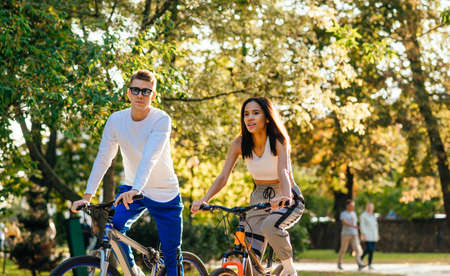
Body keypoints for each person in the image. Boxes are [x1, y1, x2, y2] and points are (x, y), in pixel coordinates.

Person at [71, 70, 183, 276]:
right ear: (128, 93)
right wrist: (87, 195)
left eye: (146, 91)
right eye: (136, 90)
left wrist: (136, 189)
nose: (140, 95)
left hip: (164, 192)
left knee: (171, 257)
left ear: (153, 95)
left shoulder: (161, 120)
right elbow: (104, 158)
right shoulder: (116, 120)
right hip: (132, 188)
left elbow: (150, 156)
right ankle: (134, 272)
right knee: (114, 230)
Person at [191, 97, 305, 276]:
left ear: (267, 117)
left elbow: (283, 171)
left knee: (270, 226)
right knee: (249, 258)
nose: (250, 118)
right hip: (258, 197)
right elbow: (223, 176)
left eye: (256, 113)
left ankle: (290, 271)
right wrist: (204, 200)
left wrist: (285, 196)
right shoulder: (239, 144)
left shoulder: (278, 140)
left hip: (286, 194)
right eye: (246, 114)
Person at [337, 199, 366, 271]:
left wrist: (357, 233)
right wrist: (353, 226)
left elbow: (355, 224)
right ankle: (339, 263)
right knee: (343, 249)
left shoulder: (354, 213)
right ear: (347, 206)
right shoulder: (343, 213)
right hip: (345, 234)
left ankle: (359, 264)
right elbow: (344, 223)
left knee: (357, 249)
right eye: (351, 206)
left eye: (353, 206)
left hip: (354, 234)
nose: (353, 207)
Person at [360, 203, 379, 269]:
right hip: (367, 235)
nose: (370, 208)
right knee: (369, 249)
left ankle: (369, 264)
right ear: (366, 207)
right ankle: (360, 259)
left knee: (372, 250)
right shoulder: (363, 216)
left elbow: (376, 226)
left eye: (371, 207)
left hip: (374, 235)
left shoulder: (373, 215)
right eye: (369, 207)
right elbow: (362, 225)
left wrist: (377, 234)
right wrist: (363, 234)